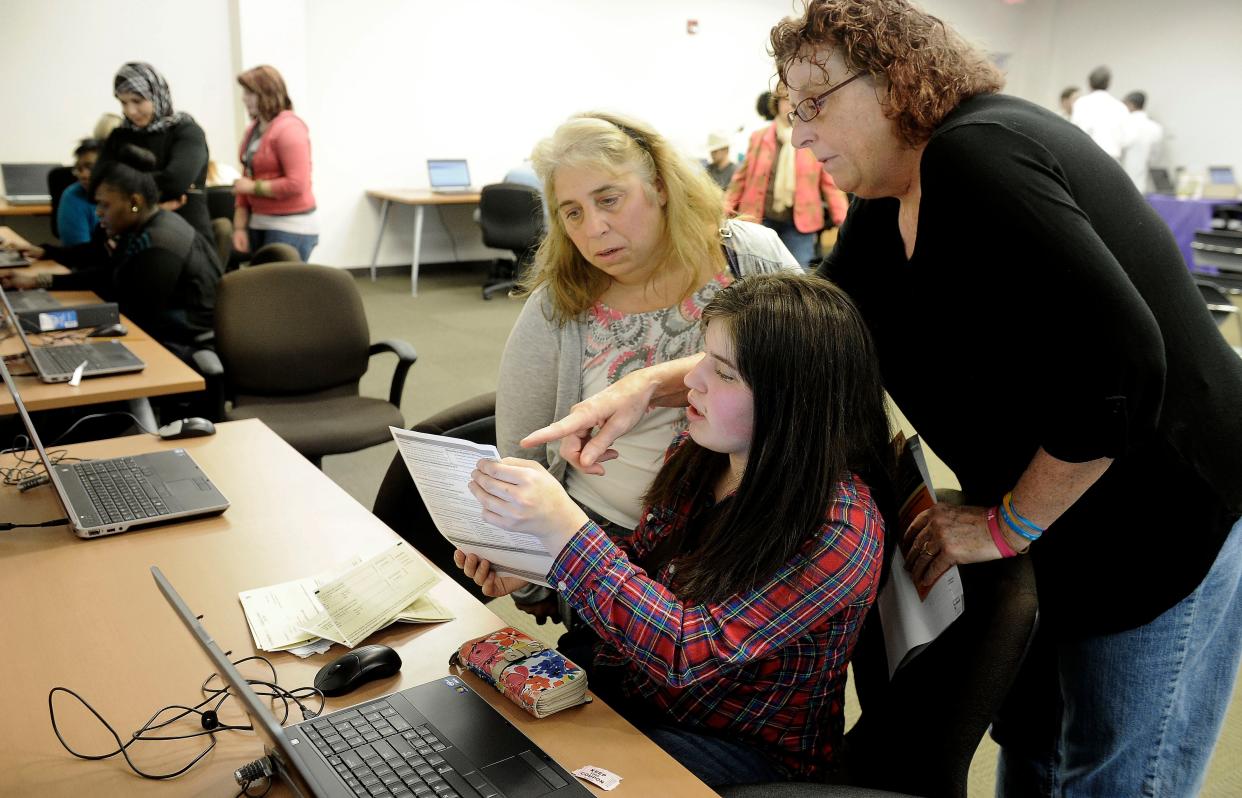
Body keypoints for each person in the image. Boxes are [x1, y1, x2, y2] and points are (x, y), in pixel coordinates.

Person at [522, 3, 1242, 797]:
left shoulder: (978, 156)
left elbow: (1128, 368)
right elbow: (809, 333)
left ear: (898, 81)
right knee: (1034, 736)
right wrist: (650, 382)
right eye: (793, 109)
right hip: (1061, 492)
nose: (798, 132)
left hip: (1161, 511)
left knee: (1115, 762)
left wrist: (1012, 523)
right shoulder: (887, 195)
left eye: (816, 101)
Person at [458, 273, 891, 786]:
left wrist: (571, 540)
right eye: (704, 357)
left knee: (524, 773)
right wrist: (541, 559)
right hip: (641, 692)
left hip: (739, 744)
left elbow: (689, 651)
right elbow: (649, 568)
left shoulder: (841, 527)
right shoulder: (708, 456)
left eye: (724, 373)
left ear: (792, 400)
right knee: (476, 730)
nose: (693, 380)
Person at [484, 112, 799, 622]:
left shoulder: (745, 256)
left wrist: (652, 382)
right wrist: (530, 564)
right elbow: (522, 451)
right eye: (572, 213)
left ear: (658, 185)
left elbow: (814, 359)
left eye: (609, 199)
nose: (595, 228)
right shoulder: (558, 305)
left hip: (745, 538)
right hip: (607, 541)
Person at [3, 145, 222, 356]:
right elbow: (108, 275)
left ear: (134, 202)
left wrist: (53, 322)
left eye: (104, 205)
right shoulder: (141, 228)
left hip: (183, 345)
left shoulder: (159, 244)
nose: (98, 213)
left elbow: (133, 312)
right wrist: (40, 282)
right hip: (158, 331)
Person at [724, 84, 848, 267]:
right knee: (758, 274)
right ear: (776, 104)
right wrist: (725, 209)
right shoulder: (758, 137)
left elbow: (830, 184)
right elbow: (740, 179)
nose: (789, 106)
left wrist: (844, 220)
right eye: (785, 100)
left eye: (794, 101)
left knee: (797, 273)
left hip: (800, 224)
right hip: (760, 220)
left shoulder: (812, 138)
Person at [96, 62, 212, 243]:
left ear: (157, 95)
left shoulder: (187, 131)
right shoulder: (120, 135)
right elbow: (97, 183)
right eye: (123, 102)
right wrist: (153, 205)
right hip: (128, 236)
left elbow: (175, 182)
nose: (130, 111)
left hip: (184, 235)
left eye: (137, 101)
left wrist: (125, 189)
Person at [232, 65, 318, 263]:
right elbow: (246, 178)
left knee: (284, 292)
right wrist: (239, 227)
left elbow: (297, 183)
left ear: (267, 93)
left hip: (291, 227)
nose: (244, 98)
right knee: (265, 290)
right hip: (259, 223)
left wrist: (253, 187)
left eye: (250, 92)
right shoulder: (253, 129)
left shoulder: (290, 129)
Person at [1070, 65, 1129, 159]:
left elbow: (1075, 132)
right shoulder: (1121, 107)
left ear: (1089, 83)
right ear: (1109, 83)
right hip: (1112, 160)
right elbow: (1126, 139)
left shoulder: (1081, 103)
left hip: (1087, 156)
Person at [56, 139, 101, 246]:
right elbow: (80, 253)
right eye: (79, 169)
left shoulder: (125, 193)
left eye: (90, 167)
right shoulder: (72, 196)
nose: (83, 175)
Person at [1120, 90, 1164, 192]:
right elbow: (1155, 157)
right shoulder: (1155, 127)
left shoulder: (1124, 124)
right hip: (1145, 185)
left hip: (1123, 183)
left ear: (1130, 105)